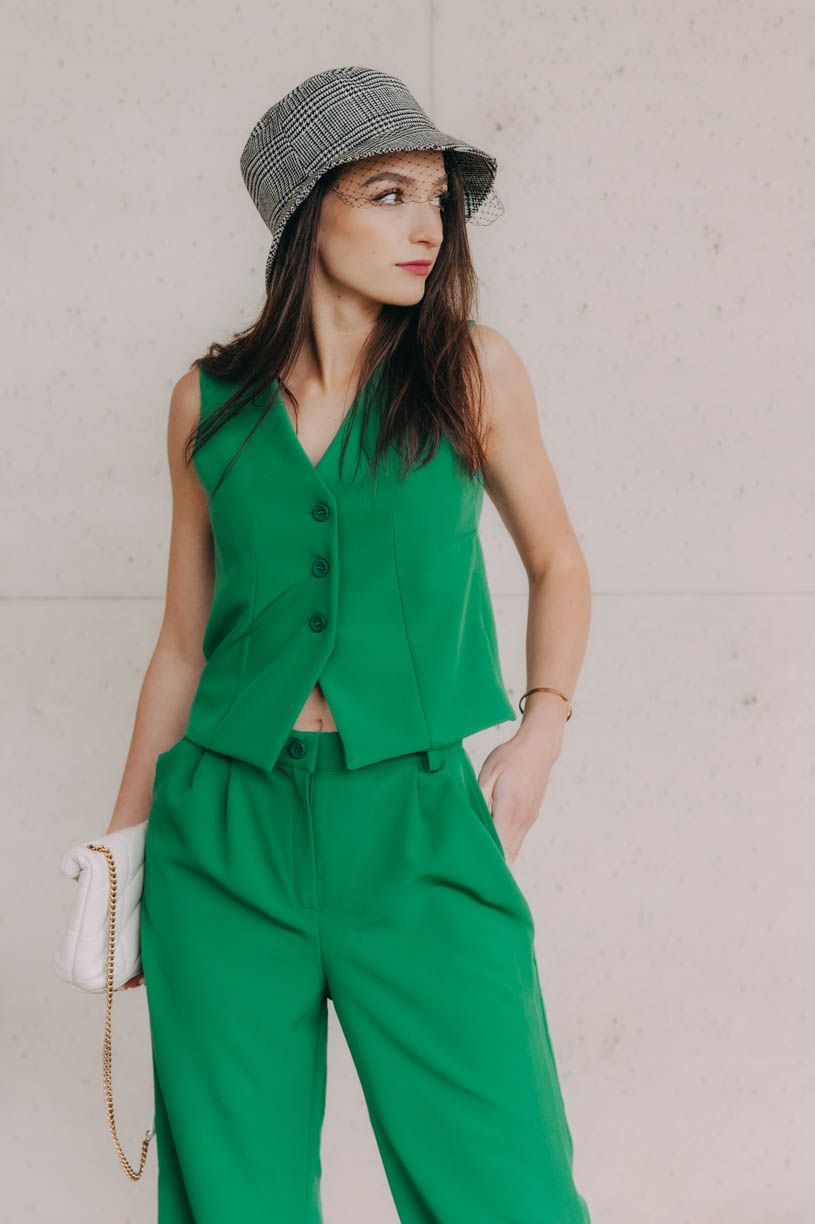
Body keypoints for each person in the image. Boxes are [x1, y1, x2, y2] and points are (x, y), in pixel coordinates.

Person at [110, 67, 593, 1222]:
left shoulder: (472, 372)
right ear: (302, 212)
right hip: (223, 836)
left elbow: (559, 565)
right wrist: (122, 850)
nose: (428, 227)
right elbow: (181, 645)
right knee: (233, 1198)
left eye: (437, 198)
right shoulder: (207, 404)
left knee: (505, 1188)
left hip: (417, 823)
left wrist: (539, 734)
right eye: (388, 194)